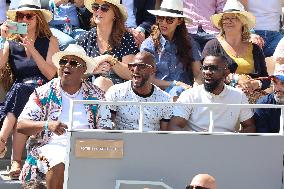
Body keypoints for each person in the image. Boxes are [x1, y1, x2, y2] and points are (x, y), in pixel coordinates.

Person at [17, 44, 111, 188]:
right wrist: (48, 125)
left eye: (73, 63)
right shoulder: (44, 92)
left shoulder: (97, 95)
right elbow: (21, 125)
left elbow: (106, 129)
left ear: (84, 69)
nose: (67, 65)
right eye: (63, 62)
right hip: (50, 146)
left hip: (87, 147)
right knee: (60, 160)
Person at [0, 0, 59, 179]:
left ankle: (2, 141)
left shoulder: (50, 41)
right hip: (21, 93)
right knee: (23, 92)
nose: (24, 19)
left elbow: (50, 74)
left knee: (24, 91)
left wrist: (32, 49)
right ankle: (15, 159)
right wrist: (2, 39)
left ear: (38, 18)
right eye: (20, 16)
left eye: (29, 16)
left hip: (44, 90)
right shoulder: (11, 43)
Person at [168, 54, 256, 133]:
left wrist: (232, 141)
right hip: (196, 146)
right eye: (204, 68)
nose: (208, 72)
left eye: (213, 68)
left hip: (227, 147)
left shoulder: (238, 96)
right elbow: (174, 126)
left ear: (226, 72)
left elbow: (250, 126)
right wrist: (194, 139)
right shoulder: (189, 95)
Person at [202, 0, 270, 95]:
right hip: (222, 96)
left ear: (242, 22)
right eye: (225, 18)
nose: (228, 21)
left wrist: (255, 84)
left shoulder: (255, 49)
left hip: (252, 97)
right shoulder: (212, 46)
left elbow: (266, 79)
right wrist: (236, 79)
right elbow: (206, 74)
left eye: (233, 18)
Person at [140, 0, 202, 98]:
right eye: (160, 18)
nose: (164, 23)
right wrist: (175, 84)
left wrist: (196, 91)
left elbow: (198, 73)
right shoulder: (148, 45)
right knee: (177, 91)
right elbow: (148, 79)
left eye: (169, 19)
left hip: (186, 94)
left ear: (179, 21)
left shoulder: (189, 42)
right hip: (157, 95)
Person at [76, 0, 139, 88]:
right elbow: (73, 73)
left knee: (101, 82)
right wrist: (91, 69)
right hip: (87, 92)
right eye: (95, 7)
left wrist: (109, 59)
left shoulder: (126, 38)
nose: (98, 11)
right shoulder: (84, 39)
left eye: (104, 8)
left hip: (118, 93)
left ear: (115, 15)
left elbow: (131, 74)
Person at [105, 51, 172, 131]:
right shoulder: (116, 92)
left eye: (141, 66)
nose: (135, 70)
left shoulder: (165, 100)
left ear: (153, 70)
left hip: (151, 142)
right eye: (132, 66)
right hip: (123, 142)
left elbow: (164, 134)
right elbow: (106, 125)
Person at [254, 64, 284, 133]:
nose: (277, 88)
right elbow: (264, 140)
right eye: (275, 82)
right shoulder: (263, 105)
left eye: (283, 83)